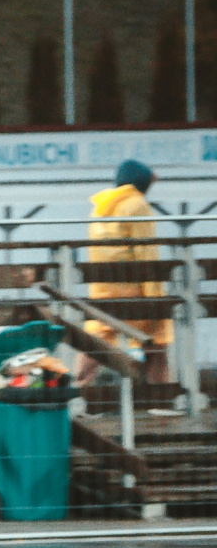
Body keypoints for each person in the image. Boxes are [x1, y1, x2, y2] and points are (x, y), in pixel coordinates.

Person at [84, 158, 166, 384]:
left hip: (103, 289)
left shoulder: (99, 207)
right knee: (157, 335)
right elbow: (146, 251)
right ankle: (159, 395)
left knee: (96, 339)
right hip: (133, 289)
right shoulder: (137, 204)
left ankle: (77, 393)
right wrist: (154, 295)